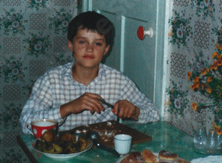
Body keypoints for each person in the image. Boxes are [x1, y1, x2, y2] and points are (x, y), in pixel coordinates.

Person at [20, 11, 160, 132]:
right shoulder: (52, 80)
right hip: (63, 155)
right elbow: (26, 124)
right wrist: (67, 108)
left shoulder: (118, 81)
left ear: (106, 49)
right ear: (71, 45)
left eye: (97, 43)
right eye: (82, 42)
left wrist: (134, 111)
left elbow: (154, 115)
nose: (89, 48)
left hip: (104, 155)